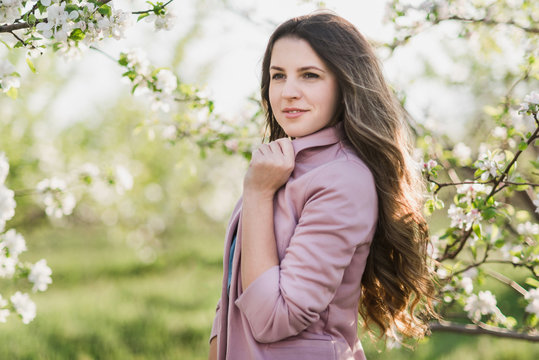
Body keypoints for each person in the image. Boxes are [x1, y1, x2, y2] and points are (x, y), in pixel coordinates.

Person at [209, 11, 436, 360]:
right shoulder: (282, 165)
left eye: (310, 75)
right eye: (278, 76)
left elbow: (275, 319)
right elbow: (231, 293)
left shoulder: (342, 179)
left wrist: (256, 194)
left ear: (345, 84)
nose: (288, 92)